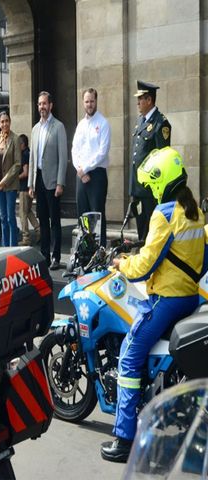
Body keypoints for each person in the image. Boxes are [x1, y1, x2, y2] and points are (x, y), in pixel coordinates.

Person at [101, 147, 207, 463]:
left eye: (151, 185)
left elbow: (146, 265)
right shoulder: (194, 213)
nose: (150, 190)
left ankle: (124, 438)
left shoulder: (163, 214)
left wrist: (121, 263)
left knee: (129, 357)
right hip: (189, 296)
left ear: (161, 182)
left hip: (165, 300)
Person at [28, 91, 68, 270]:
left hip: (53, 182)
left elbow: (62, 156)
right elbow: (32, 159)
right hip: (39, 181)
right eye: (39, 104)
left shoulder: (58, 127)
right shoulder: (35, 129)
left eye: (44, 104)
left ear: (50, 105)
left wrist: (60, 182)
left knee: (55, 221)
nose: (41, 107)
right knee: (43, 221)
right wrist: (30, 183)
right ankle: (44, 254)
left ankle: (56, 256)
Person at [130, 80, 171, 242]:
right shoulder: (141, 120)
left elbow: (163, 159)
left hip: (151, 190)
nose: (138, 102)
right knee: (142, 231)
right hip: (138, 188)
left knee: (152, 233)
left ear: (149, 100)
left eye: (141, 99)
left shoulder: (161, 123)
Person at [71, 88, 111, 246]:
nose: (89, 104)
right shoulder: (80, 125)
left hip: (97, 176)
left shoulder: (103, 123)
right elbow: (74, 150)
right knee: (83, 217)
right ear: (83, 102)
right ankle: (86, 252)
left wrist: (85, 169)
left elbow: (103, 151)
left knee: (97, 217)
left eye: (92, 101)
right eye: (87, 101)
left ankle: (99, 253)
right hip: (81, 176)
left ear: (96, 101)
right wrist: (80, 171)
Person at [0, 111, 20, 247]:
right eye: (2, 121)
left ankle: (12, 247)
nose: (4, 124)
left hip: (10, 185)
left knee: (10, 217)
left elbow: (17, 164)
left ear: (10, 122)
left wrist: (3, 182)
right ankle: (4, 247)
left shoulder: (15, 139)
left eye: (6, 121)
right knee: (2, 218)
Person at [18, 134, 40, 246]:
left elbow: (25, 172)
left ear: (22, 144)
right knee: (28, 211)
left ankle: (26, 237)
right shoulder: (29, 153)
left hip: (24, 188)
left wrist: (15, 178)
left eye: (18, 144)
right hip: (30, 187)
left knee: (22, 213)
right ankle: (38, 229)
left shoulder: (25, 154)